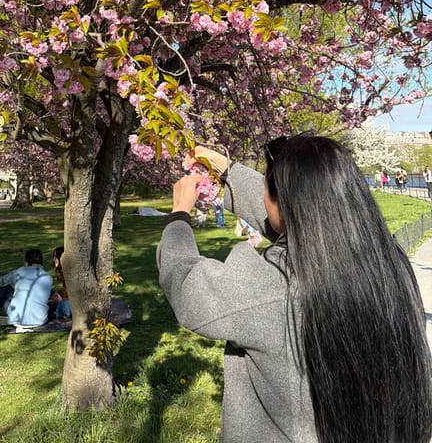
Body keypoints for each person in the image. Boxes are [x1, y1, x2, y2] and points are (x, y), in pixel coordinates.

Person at [157, 135, 432, 443]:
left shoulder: (271, 284)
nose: (262, 197)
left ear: (284, 202)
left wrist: (179, 214)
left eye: (266, 188)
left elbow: (185, 281)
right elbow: (291, 216)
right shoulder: (388, 265)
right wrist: (227, 172)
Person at [0, 248, 52, 327]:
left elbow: (2, 281)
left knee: (4, 288)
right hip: (40, 321)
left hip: (17, 320)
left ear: (26, 262)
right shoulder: (48, 277)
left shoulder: (19, 271)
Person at [49, 246, 71, 320]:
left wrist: (61, 299)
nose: (54, 259)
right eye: (53, 257)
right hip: (65, 299)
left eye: (56, 256)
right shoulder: (61, 273)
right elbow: (65, 290)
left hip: (69, 304)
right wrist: (59, 294)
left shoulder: (69, 273)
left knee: (64, 305)